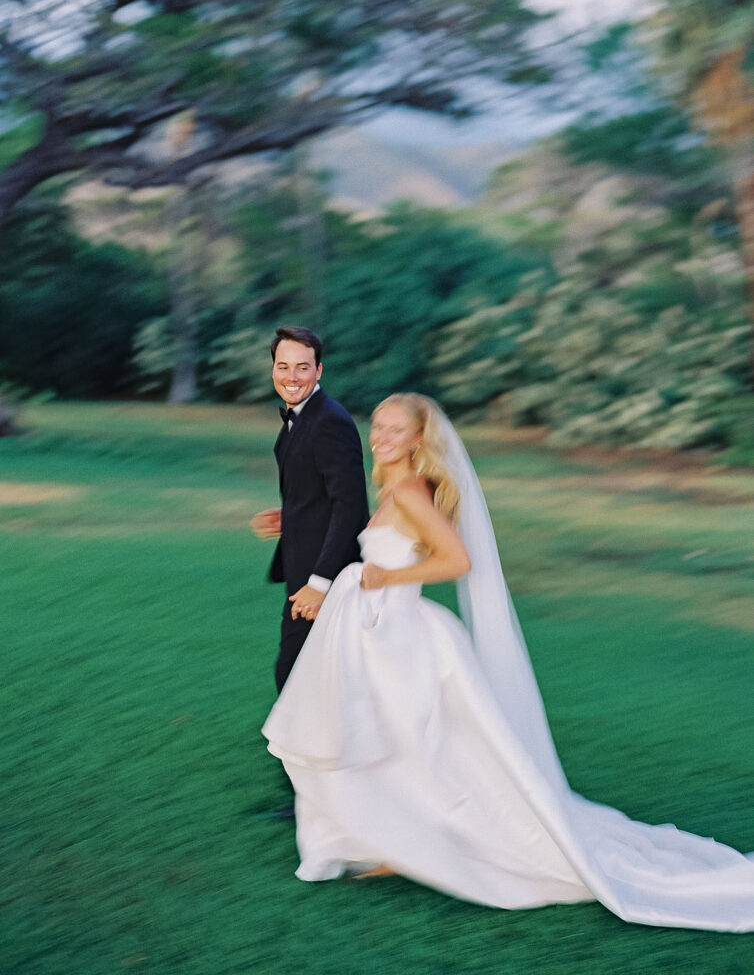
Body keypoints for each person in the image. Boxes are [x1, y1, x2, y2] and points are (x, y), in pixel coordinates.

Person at [263, 393, 754, 932]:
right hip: (379, 632)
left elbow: (457, 560)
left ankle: (420, 842)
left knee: (409, 742)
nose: (380, 436)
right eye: (377, 425)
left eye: (395, 429)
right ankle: (397, 839)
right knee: (398, 742)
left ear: (418, 439)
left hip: (400, 635)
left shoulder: (407, 489)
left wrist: (384, 577)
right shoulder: (393, 486)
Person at [252, 326, 370, 811]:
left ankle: (321, 796)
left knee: (301, 679)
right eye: (284, 366)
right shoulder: (301, 417)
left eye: (303, 367)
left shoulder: (329, 421)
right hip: (306, 569)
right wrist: (292, 515)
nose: (292, 376)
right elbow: (322, 494)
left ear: (318, 370)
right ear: (273, 369)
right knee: (303, 681)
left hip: (326, 581)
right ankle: (313, 792)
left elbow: (351, 508)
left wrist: (321, 585)